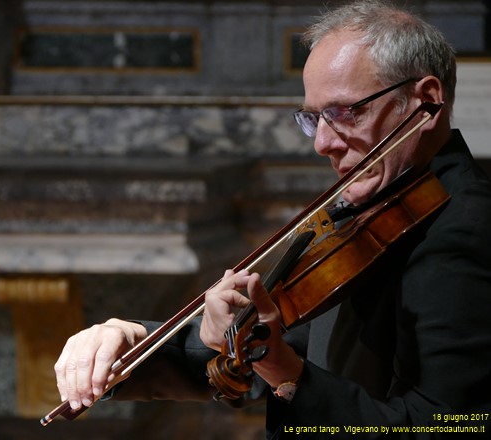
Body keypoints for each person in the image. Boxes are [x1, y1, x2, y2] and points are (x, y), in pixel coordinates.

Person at [54, 1, 491, 437]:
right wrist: (132, 343)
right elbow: (281, 345)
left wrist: (286, 373)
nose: (322, 142)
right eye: (314, 118)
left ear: (426, 101)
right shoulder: (375, 210)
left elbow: (454, 425)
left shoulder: (465, 229)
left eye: (345, 112)